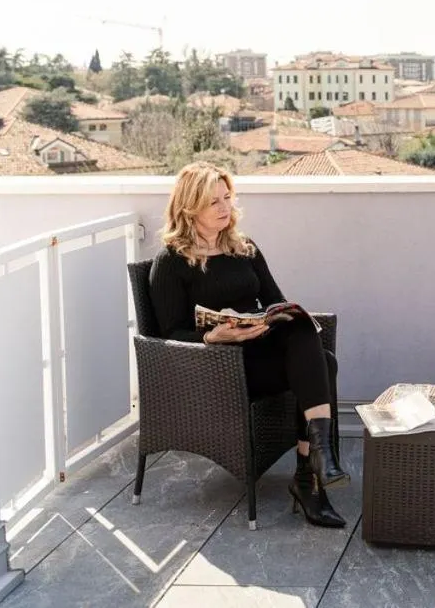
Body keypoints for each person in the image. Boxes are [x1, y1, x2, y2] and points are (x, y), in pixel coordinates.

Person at [148, 161, 350, 529]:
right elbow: (168, 335)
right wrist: (214, 336)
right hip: (220, 369)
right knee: (326, 363)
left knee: (302, 330)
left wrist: (266, 321)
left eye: (227, 198)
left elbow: (278, 301)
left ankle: (314, 464)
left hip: (259, 352)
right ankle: (312, 473)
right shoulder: (171, 262)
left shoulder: (245, 248)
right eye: (214, 202)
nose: (226, 207)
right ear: (189, 206)